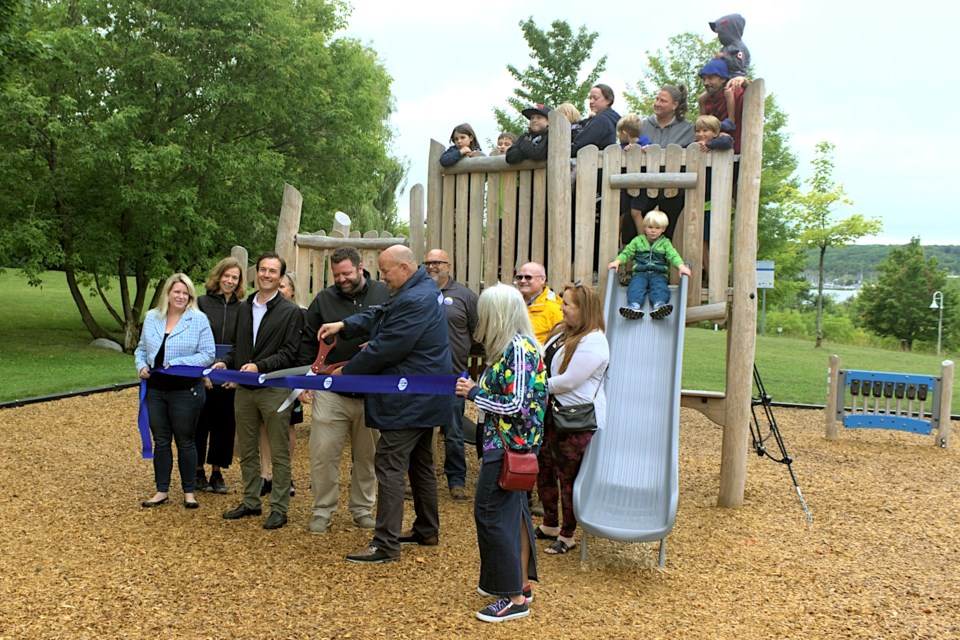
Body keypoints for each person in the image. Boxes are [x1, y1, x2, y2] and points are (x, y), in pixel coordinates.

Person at [318, 245, 451, 563]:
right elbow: (383, 314)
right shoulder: (420, 287)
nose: (381, 278)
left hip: (408, 400)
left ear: (404, 268)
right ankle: (426, 529)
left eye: (385, 271)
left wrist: (345, 372)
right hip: (425, 396)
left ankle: (385, 543)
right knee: (420, 465)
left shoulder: (415, 298)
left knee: (389, 465)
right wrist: (345, 325)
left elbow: (388, 347)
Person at [455, 283, 546, 622]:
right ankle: (518, 584)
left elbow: (517, 404)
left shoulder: (518, 348)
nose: (481, 319)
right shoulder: (511, 347)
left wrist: (474, 392)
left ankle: (512, 597)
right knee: (513, 515)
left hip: (511, 448)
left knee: (492, 514)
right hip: (508, 446)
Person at [297, 247, 390, 534]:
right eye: (337, 275)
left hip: (373, 391)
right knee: (323, 454)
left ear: (361, 268)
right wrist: (304, 379)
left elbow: (398, 333)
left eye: (347, 273)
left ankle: (363, 509)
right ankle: (322, 509)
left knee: (368, 456)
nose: (342, 279)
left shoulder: (384, 294)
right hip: (331, 390)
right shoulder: (323, 299)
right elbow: (308, 344)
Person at [214, 252, 304, 530]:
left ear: (280, 277)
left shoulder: (291, 312)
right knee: (248, 449)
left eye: (273, 271)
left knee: (278, 451)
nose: (266, 275)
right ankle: (251, 500)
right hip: (245, 389)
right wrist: (225, 362)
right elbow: (235, 346)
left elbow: (290, 354)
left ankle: (279, 507)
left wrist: (259, 366)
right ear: (256, 274)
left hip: (274, 389)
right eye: (262, 270)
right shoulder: (244, 307)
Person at [536, 282, 609, 556]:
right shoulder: (561, 333)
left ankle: (568, 535)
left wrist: (533, 385)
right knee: (544, 468)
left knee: (568, 476)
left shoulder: (594, 340)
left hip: (576, 420)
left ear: (584, 309)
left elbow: (569, 381)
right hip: (552, 414)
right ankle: (549, 523)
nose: (562, 308)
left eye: (567, 304)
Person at [135, 273, 215, 510]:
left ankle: (189, 491)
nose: (181, 296)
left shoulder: (198, 320)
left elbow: (208, 354)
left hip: (185, 390)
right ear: (168, 294)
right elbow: (141, 349)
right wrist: (141, 366)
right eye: (176, 292)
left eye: (185, 292)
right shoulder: (152, 317)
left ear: (190, 295)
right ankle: (161, 490)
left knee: (185, 441)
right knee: (161, 441)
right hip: (156, 390)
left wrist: (180, 363)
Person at [424, 248, 478, 503]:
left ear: (449, 265)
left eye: (437, 262)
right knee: (420, 430)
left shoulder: (465, 296)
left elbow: (477, 332)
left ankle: (456, 480)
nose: (432, 266)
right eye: (428, 262)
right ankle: (421, 479)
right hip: (421, 375)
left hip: (453, 376)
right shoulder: (420, 292)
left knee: (454, 432)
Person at [195, 257, 246, 495]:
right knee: (200, 422)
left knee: (224, 424)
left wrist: (234, 371)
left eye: (235, 277)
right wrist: (202, 372)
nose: (230, 281)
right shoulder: (202, 303)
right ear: (219, 276)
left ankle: (216, 471)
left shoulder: (243, 308)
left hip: (229, 370)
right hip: (204, 370)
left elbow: (243, 343)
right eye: (227, 276)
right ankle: (196, 471)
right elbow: (194, 338)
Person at [625, 85, 697, 246]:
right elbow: (627, 146)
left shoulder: (688, 129)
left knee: (667, 229)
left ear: (674, 105)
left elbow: (694, 154)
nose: (657, 103)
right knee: (632, 223)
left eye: (663, 101)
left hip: (673, 188)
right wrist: (632, 149)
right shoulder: (642, 126)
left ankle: (661, 264)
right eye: (657, 99)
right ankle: (639, 260)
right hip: (644, 184)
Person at [609, 210, 692, 320]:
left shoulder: (665, 243)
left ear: (663, 229)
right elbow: (627, 253)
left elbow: (673, 256)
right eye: (650, 227)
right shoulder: (638, 241)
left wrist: (681, 266)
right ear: (644, 227)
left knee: (660, 287)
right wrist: (617, 261)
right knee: (635, 286)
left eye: (657, 228)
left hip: (659, 273)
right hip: (640, 273)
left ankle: (659, 305)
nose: (653, 231)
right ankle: (634, 305)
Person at [697, 59, 746, 153]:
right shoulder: (706, 100)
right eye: (704, 78)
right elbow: (702, 126)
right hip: (709, 156)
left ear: (723, 78)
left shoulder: (735, 94)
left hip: (735, 154)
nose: (705, 83)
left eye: (710, 78)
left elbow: (751, 94)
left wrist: (743, 80)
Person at [514, 262, 562, 346]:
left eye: (528, 277)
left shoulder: (555, 308)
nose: (522, 281)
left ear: (542, 279)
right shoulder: (513, 303)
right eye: (519, 277)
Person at [570, 84, 620, 157]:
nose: (591, 101)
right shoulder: (612, 119)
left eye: (595, 98)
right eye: (590, 98)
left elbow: (581, 144)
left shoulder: (601, 120)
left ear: (608, 100)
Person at [710, 14, 750, 79]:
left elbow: (738, 64)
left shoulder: (738, 47)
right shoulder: (726, 48)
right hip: (724, 82)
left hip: (736, 82)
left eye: (720, 33)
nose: (718, 37)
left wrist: (723, 57)